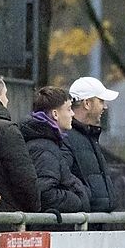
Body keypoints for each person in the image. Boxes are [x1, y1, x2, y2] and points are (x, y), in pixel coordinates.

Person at [22, 86, 90, 214]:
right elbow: (44, 193)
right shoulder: (44, 148)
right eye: (69, 109)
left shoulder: (48, 143)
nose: (72, 114)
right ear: (55, 114)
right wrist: (77, 199)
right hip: (51, 228)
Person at [66, 77, 120, 212]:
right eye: (101, 101)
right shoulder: (67, 137)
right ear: (87, 103)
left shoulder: (89, 136)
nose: (105, 107)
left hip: (92, 223)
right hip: (82, 225)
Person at [0, 71, 40, 213]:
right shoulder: (6, 130)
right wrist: (34, 211)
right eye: (5, 94)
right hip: (5, 219)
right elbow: (25, 181)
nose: (7, 100)